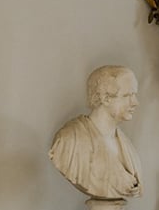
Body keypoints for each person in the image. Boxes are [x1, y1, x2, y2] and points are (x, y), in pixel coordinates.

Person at [50, 65, 143, 200]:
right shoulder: (70, 139)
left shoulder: (127, 145)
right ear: (105, 98)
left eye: (134, 95)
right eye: (127, 95)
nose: (135, 102)